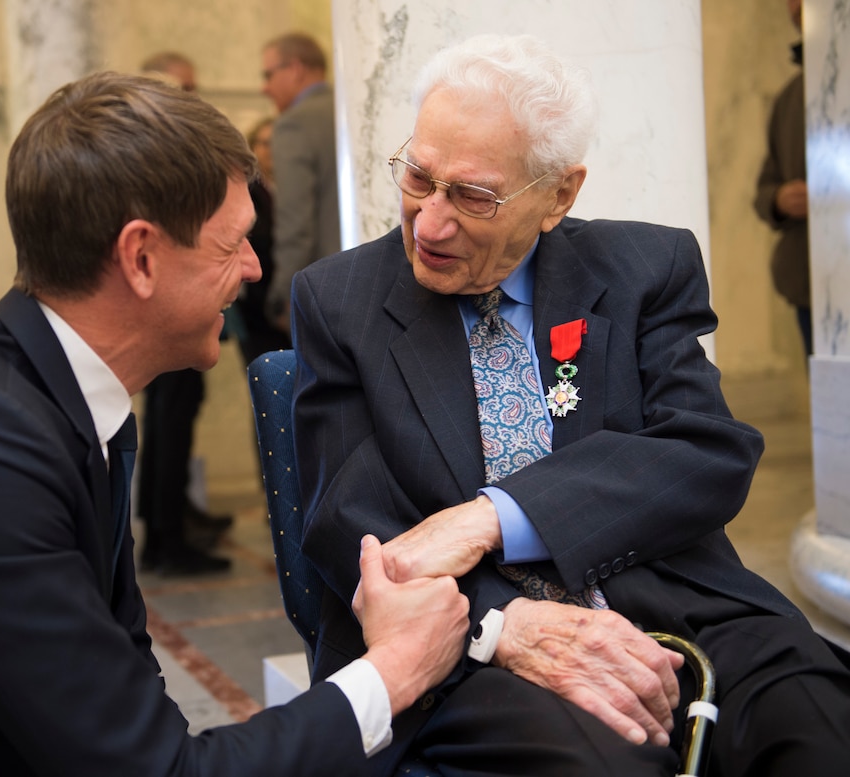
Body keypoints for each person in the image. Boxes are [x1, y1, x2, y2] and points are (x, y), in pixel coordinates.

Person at [0, 71, 471, 775]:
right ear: (140, 258)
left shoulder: (62, 398)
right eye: (232, 244)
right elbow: (153, 768)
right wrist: (393, 672)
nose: (255, 269)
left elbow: (132, 702)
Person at [291, 34, 850, 777]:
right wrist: (504, 622)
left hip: (673, 599)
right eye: (418, 177)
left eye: (473, 194)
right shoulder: (339, 302)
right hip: (474, 643)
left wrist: (493, 514)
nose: (427, 222)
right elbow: (347, 521)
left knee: (815, 721)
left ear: (559, 194)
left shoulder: (644, 268)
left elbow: (706, 452)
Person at [135, 50, 234, 575]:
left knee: (169, 419)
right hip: (168, 309)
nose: (194, 101)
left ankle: (165, 524)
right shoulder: (156, 156)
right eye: (184, 90)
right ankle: (166, 537)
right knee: (170, 420)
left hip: (168, 307)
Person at [260, 32, 340, 333]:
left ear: (294, 68)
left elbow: (296, 223)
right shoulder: (352, 112)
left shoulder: (295, 123)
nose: (264, 87)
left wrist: (283, 294)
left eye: (268, 74)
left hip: (321, 291)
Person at [754, 0, 810, 357]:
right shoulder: (791, 97)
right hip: (809, 282)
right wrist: (779, 199)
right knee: (833, 406)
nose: (794, 5)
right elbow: (764, 188)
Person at [232, 116, 291, 365]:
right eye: (265, 143)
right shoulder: (250, 191)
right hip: (257, 306)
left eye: (277, 143)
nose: (271, 150)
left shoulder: (287, 188)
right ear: (253, 147)